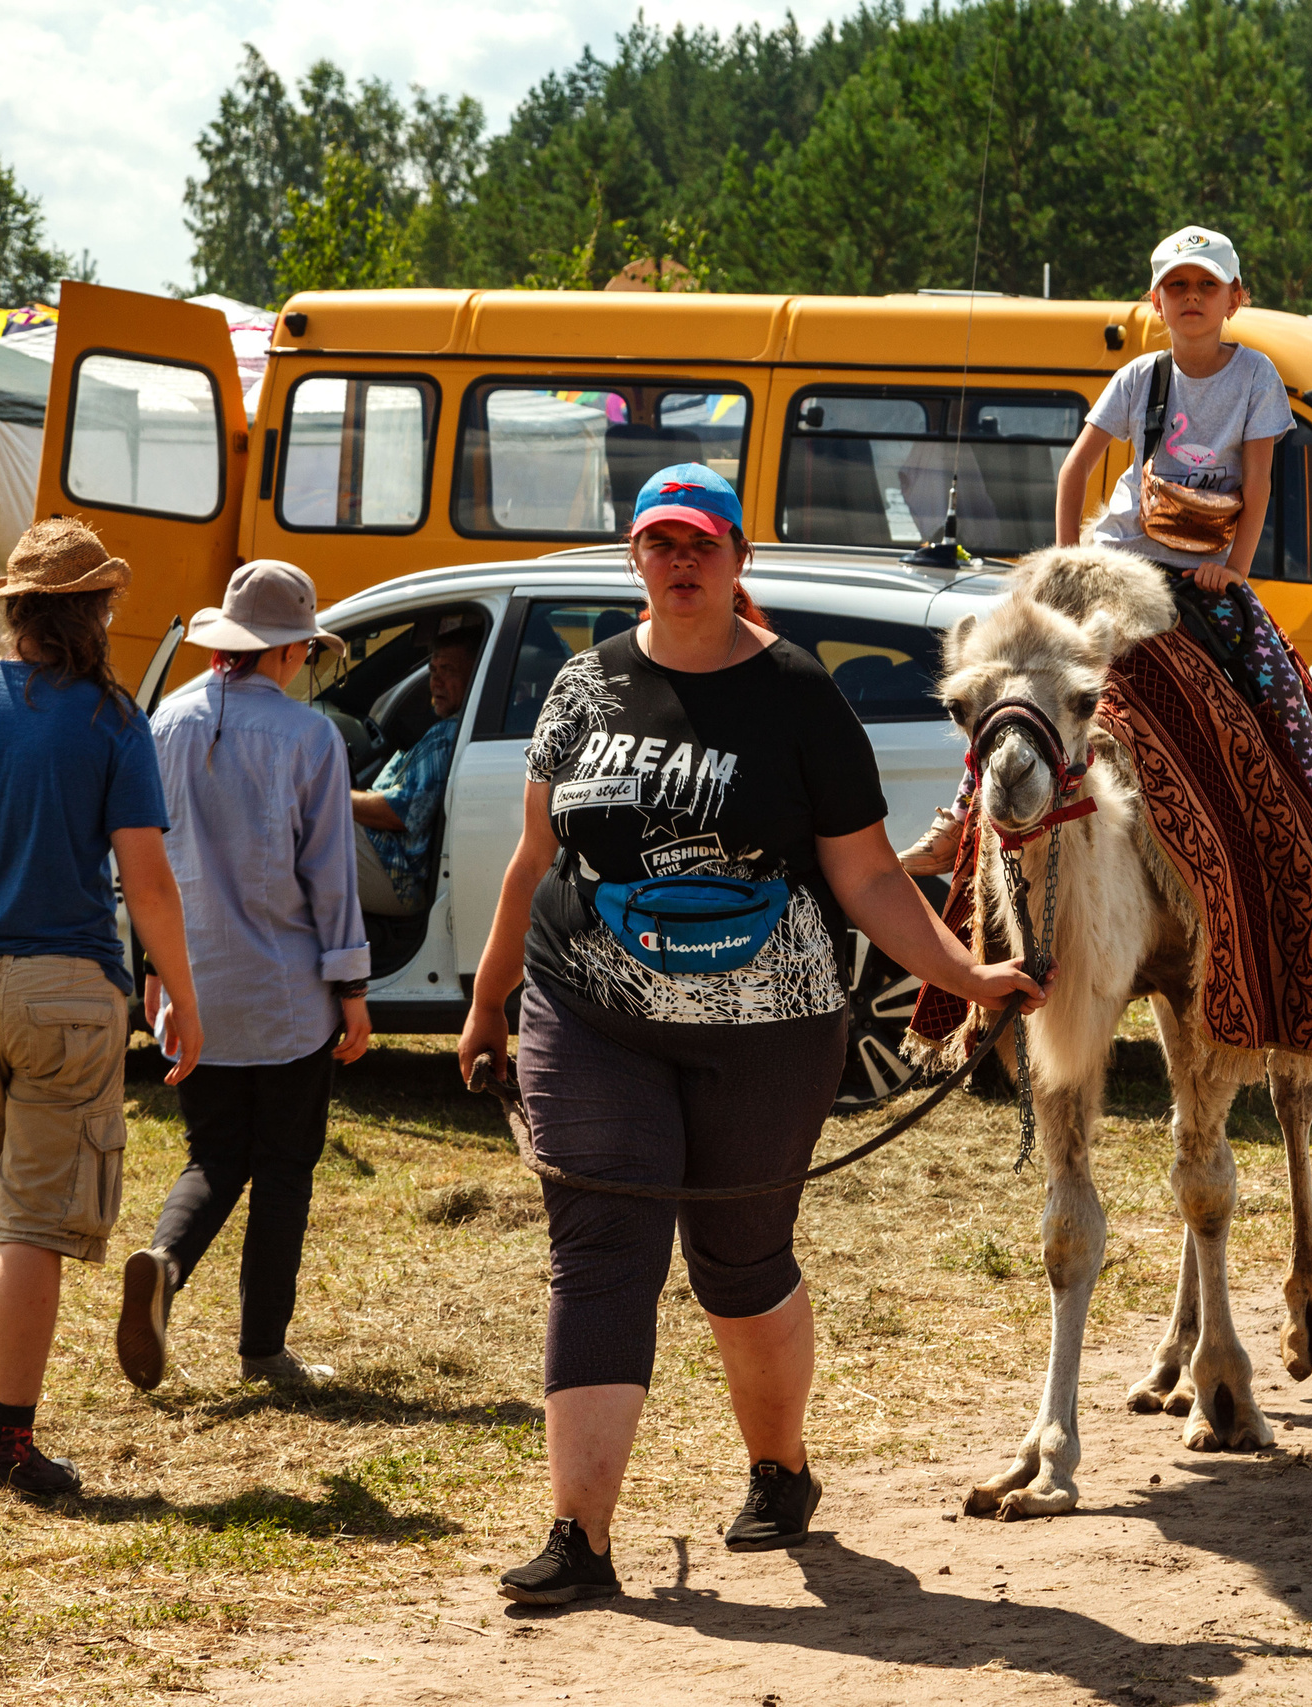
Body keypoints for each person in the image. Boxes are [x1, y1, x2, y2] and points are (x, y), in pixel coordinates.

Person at [455, 462, 1046, 1607]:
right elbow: (536, 864)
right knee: (602, 1252)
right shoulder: (582, 688)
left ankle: (780, 1471)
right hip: (589, 1012)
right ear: (636, 556)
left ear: (738, 561)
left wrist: (970, 975)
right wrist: (487, 1005)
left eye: (701, 545)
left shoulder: (797, 696)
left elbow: (867, 876)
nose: (680, 564)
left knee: (738, 1261)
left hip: (768, 1026)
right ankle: (580, 1536)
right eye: (660, 543)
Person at [902, 224, 1312, 914]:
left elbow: (1262, 481)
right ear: (1156, 302)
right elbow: (1076, 470)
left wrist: (1234, 569)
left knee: (1288, 696)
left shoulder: (1255, 377)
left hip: (1205, 574)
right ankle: (963, 812)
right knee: (1010, 683)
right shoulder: (1140, 376)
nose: (1191, 298)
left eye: (1206, 285)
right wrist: (1066, 563)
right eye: (1177, 286)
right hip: (1119, 565)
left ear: (1234, 298)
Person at [0, 517, 204, 1498]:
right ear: (94, 611)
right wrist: (183, 996)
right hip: (63, 988)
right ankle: (12, 1444)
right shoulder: (109, 719)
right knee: (36, 1220)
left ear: (14, 609)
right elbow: (146, 881)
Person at [114, 561, 373, 1397]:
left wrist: (152, 965)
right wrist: (354, 986)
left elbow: (143, 866)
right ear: (293, 650)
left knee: (214, 1153)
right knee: (286, 1165)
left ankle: (166, 1260)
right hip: (289, 990)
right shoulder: (311, 738)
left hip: (195, 982)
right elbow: (330, 875)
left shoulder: (166, 723)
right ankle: (263, 1347)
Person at [350, 623, 481, 917]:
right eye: (433, 670)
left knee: (305, 819)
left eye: (447, 669)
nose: (435, 682)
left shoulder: (447, 735)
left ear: (475, 675)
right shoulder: (456, 730)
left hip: (397, 873)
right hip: (392, 862)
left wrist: (332, 796)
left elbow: (401, 812)